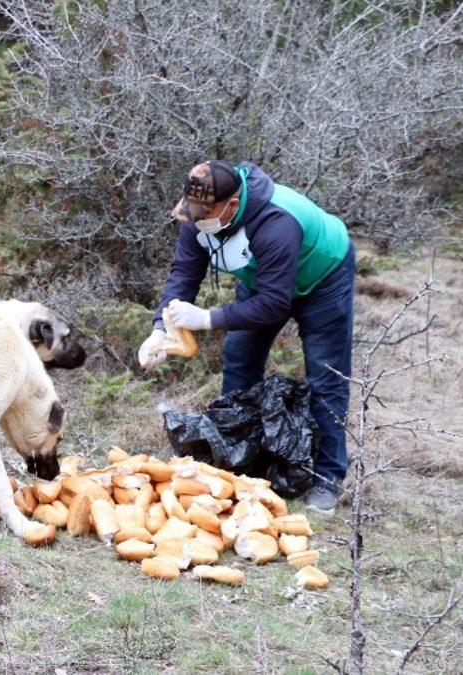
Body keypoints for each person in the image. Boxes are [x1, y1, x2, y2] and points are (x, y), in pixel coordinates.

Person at [138, 160, 355, 515]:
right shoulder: (198, 216)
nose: (196, 220)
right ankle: (236, 460)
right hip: (265, 280)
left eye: (204, 214)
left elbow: (273, 305)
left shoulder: (276, 222)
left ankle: (326, 478)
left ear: (232, 205)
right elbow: (183, 274)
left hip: (323, 278)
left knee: (325, 376)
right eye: (193, 212)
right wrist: (160, 329)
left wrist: (206, 318)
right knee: (239, 358)